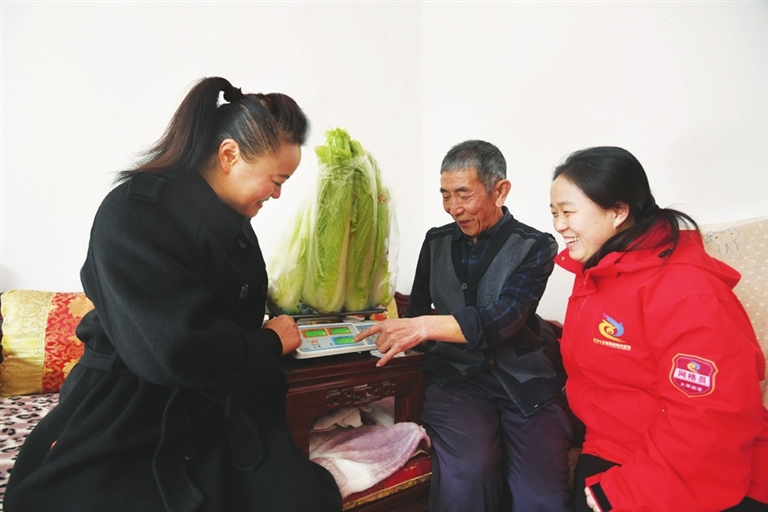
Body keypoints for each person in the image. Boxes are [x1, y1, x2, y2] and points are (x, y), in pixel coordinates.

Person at [4, 77, 342, 512]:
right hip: (130, 405)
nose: (277, 194)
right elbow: (174, 348)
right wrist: (269, 341)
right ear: (229, 155)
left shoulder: (233, 222)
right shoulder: (132, 212)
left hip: (217, 397)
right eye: (277, 180)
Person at [356, 140, 573, 512]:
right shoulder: (436, 241)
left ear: (499, 191)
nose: (453, 207)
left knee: (542, 497)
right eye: (445, 194)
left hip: (523, 381)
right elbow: (415, 312)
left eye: (463, 194)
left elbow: (507, 317)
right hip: (455, 381)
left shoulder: (535, 246)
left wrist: (425, 326)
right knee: (470, 473)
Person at [549, 146, 768, 512]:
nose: (558, 225)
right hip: (616, 445)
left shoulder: (686, 291)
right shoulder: (597, 273)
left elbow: (710, 417)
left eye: (568, 212)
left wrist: (628, 491)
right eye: (554, 213)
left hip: (698, 469)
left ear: (618, 211)